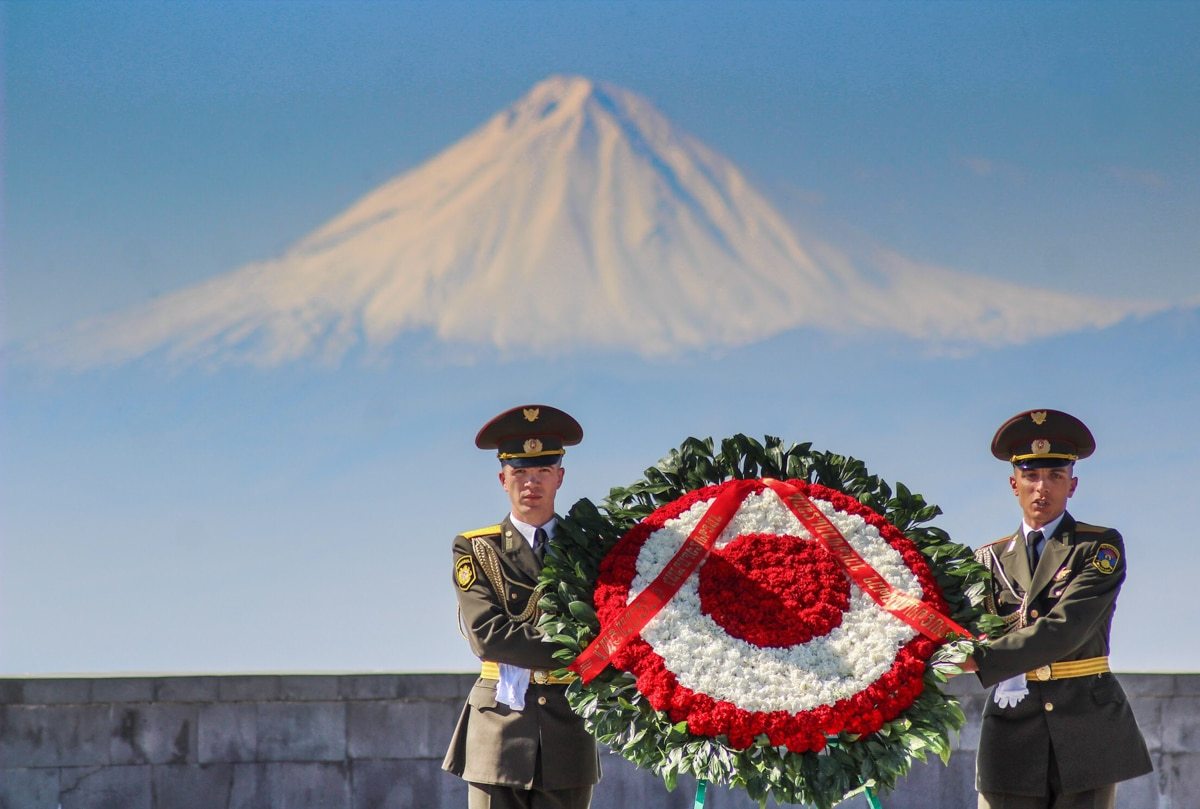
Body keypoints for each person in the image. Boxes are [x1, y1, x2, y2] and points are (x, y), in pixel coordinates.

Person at [962, 408, 1152, 809]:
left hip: (1087, 732)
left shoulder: (1099, 547)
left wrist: (980, 658)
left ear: (1073, 485)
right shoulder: (988, 559)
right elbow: (966, 626)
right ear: (1013, 484)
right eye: (1030, 476)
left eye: (1055, 476)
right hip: (1011, 736)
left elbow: (1065, 629)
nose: (1041, 488)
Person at [442, 404, 600, 809]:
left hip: (568, 728)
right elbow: (487, 636)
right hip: (499, 732)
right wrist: (580, 650)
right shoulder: (477, 547)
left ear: (560, 477)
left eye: (543, 470)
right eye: (520, 472)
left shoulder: (591, 547)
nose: (532, 482)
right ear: (502, 478)